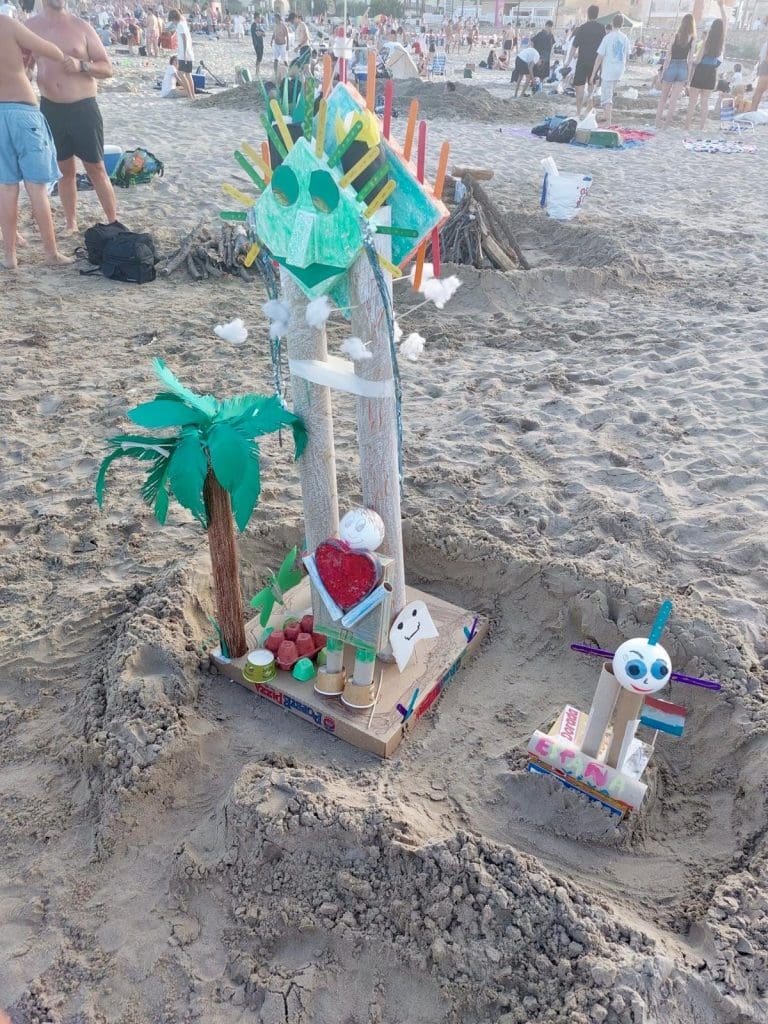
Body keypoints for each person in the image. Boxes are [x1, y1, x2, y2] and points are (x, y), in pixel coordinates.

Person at [25, 0, 118, 234]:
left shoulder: (81, 27)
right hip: (51, 109)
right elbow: (24, 66)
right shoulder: (30, 28)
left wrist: (82, 66)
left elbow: (107, 68)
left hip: (83, 108)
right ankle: (71, 223)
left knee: (96, 168)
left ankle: (113, 220)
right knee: (64, 171)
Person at [0, 13, 74, 267]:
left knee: (6, 188)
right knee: (36, 188)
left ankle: (10, 256)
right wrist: (26, 52)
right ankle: (51, 253)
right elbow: (53, 52)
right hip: (22, 110)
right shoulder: (5, 23)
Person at [685, 0, 726, 131]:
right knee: (705, 102)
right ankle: (701, 127)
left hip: (701, 70)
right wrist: (721, 7)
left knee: (692, 102)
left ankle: (687, 126)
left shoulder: (706, 41)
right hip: (712, 72)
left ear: (711, 28)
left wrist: (692, 62)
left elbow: (698, 59)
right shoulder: (721, 42)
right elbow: (725, 22)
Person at [655, 13, 695, 127]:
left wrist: (663, 72)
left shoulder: (676, 36)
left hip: (672, 65)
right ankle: (666, 125)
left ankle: (657, 122)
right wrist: (688, 77)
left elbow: (668, 56)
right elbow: (690, 60)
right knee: (674, 99)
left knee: (663, 98)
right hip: (683, 67)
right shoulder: (692, 39)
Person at [590, 13, 629, 125]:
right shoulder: (625, 38)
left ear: (612, 23)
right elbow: (627, 56)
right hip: (619, 70)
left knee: (607, 97)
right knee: (608, 93)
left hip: (609, 70)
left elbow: (599, 57)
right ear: (622, 24)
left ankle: (608, 122)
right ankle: (605, 116)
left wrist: (593, 74)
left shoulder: (607, 38)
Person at [570, 4, 605, 118]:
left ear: (588, 14)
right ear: (597, 15)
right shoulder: (601, 28)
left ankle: (578, 111)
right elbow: (604, 48)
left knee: (579, 86)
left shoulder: (582, 28)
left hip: (582, 60)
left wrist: (568, 61)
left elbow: (574, 46)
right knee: (591, 84)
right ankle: (589, 107)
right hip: (595, 62)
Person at [166, 8, 195, 98]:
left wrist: (184, 54)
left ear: (174, 18)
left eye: (172, 20)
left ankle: (190, 95)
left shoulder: (180, 25)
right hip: (188, 52)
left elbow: (184, 39)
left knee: (181, 73)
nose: (172, 22)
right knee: (188, 74)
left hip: (184, 53)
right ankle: (192, 95)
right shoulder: (183, 23)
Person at [752, 37, 768, 110]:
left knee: (759, 91)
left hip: (764, 66)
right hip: (766, 66)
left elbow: (761, 58)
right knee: (759, 91)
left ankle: (753, 110)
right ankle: (753, 110)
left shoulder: (765, 44)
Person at [271, 12, 288, 77]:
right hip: (276, 45)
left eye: (275, 18)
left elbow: (287, 36)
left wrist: (288, 45)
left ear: (278, 18)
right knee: (275, 60)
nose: (274, 19)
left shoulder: (283, 26)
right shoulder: (275, 26)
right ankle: (275, 74)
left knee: (285, 61)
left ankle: (288, 73)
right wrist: (271, 40)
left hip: (282, 45)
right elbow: (274, 34)